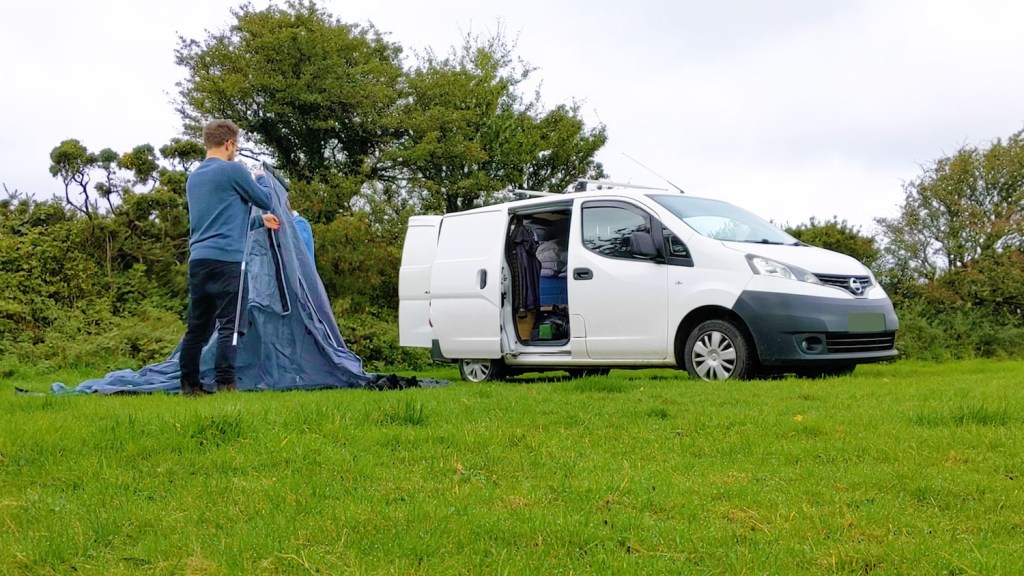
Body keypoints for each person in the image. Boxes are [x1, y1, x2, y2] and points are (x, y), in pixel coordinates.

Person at [179, 119, 281, 396]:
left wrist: (260, 223)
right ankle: (226, 383)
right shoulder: (233, 170)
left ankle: (190, 385)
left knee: (196, 329)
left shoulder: (194, 177)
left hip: (199, 262)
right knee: (231, 326)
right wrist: (262, 178)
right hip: (229, 263)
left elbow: (220, 221)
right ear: (229, 143)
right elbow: (266, 200)